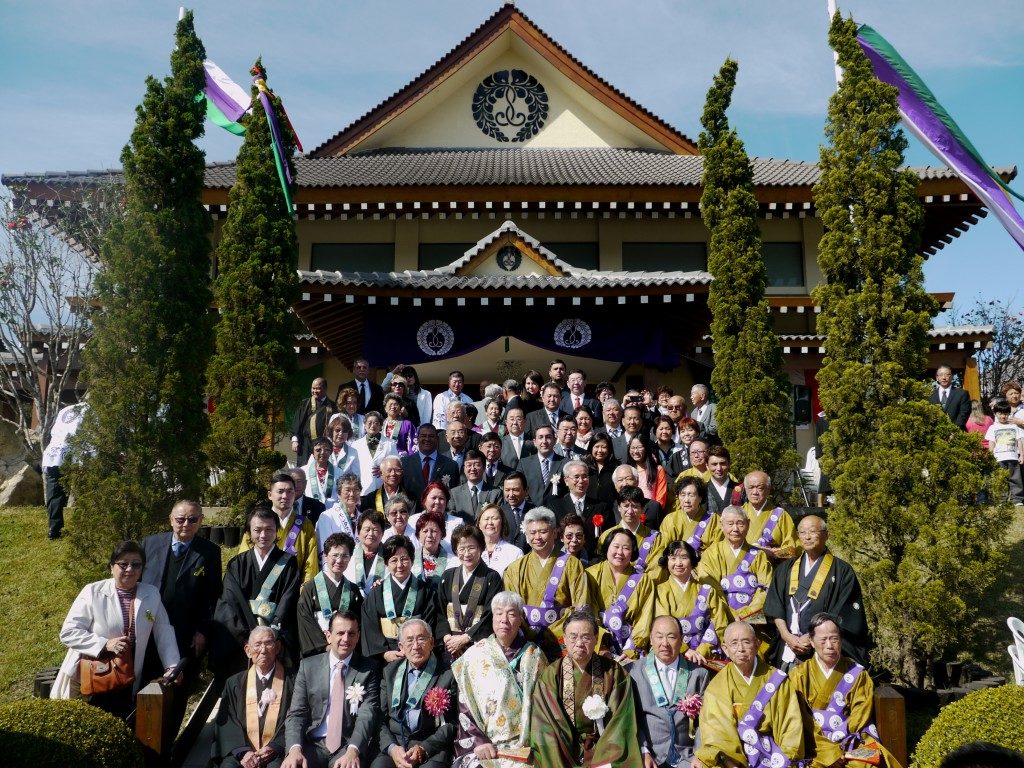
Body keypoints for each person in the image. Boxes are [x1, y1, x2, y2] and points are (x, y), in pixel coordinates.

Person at [53, 541, 181, 718]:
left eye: (136, 564)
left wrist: (172, 666)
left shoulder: (151, 594)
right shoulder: (92, 592)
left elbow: (163, 631)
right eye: (123, 564)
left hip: (127, 677)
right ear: (111, 567)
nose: (130, 569)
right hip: (94, 678)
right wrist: (105, 644)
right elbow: (68, 632)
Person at [140, 500, 222, 730]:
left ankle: (168, 748)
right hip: (149, 631)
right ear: (170, 519)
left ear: (201, 521)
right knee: (144, 689)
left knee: (177, 691)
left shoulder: (209, 552)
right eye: (180, 519)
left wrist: (203, 630)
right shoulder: (150, 543)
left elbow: (213, 596)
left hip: (185, 635)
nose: (186, 524)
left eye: (192, 519)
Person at [529, 610, 642, 767]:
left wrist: (603, 757)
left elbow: (621, 720)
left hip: (605, 745)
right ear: (565, 639)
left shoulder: (614, 672)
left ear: (596, 639)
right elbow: (545, 722)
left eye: (586, 637)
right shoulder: (551, 675)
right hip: (563, 748)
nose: (579, 643)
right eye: (573, 637)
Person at [789, 613, 903, 768]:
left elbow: (860, 714)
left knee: (868, 763)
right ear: (812, 642)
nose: (829, 645)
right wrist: (830, 753)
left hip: (850, 740)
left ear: (841, 640)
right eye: (823, 640)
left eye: (834, 639)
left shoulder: (857, 674)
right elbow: (800, 718)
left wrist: (842, 745)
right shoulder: (798, 675)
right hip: (815, 744)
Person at [451, 591, 548, 768]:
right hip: (485, 744)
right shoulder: (474, 656)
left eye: (511, 614)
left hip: (526, 745)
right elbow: (465, 705)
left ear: (520, 619)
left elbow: (545, 706)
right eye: (499, 613)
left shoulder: (534, 656)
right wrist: (480, 742)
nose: (504, 619)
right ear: (492, 618)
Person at [764, 515, 870, 670]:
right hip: (788, 645)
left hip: (823, 650)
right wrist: (787, 636)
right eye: (802, 532)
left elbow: (844, 615)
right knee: (787, 693)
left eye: (812, 531)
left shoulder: (842, 571)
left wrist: (812, 637)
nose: (807, 537)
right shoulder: (785, 569)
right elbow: (775, 607)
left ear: (826, 535)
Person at [695, 621, 806, 768]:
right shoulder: (717, 686)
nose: (740, 649)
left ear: (757, 644)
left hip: (775, 755)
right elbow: (716, 733)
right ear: (725, 649)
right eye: (734, 643)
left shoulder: (777, 679)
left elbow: (791, 726)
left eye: (746, 642)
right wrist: (732, 763)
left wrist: (783, 760)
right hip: (734, 759)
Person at [282, 610, 381, 768]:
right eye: (340, 633)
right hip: (313, 744)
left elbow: (367, 714)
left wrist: (353, 750)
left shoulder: (368, 669)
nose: (345, 639)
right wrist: (294, 750)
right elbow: (296, 713)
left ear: (358, 636)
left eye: (351, 633)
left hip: (347, 744)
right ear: (328, 636)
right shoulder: (308, 666)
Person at [215, 505, 302, 674]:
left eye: (269, 529)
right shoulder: (237, 564)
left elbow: (288, 600)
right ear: (248, 531)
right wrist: (250, 635)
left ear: (277, 531)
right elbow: (231, 601)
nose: (263, 535)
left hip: (275, 637)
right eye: (258, 530)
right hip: (243, 638)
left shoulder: (288, 563)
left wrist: (270, 633)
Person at [502, 507, 591, 658]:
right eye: (532, 532)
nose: (537, 537)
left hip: (563, 638)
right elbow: (512, 607)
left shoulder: (572, 564)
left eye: (543, 532)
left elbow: (581, 605)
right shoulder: (515, 568)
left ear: (555, 532)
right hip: (526, 641)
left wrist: (557, 631)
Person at [372, 618, 458, 768]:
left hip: (430, 745)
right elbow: (380, 717)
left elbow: (452, 722)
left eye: (421, 639)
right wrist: (392, 748)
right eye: (410, 641)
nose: (416, 646)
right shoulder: (390, 672)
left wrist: (425, 748)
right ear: (401, 647)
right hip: (396, 743)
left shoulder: (447, 674)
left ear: (431, 642)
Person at [631, 615, 712, 768]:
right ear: (651, 639)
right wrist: (643, 751)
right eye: (659, 636)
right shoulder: (634, 672)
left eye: (671, 637)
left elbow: (705, 721)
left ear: (681, 640)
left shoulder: (698, 674)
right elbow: (631, 718)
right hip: (650, 757)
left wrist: (700, 754)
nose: (664, 644)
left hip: (688, 757)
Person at [213, 627, 295, 768]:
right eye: (257, 644)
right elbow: (227, 722)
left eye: (268, 643)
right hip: (241, 751)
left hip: (278, 751)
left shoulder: (294, 680)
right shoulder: (234, 683)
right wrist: (243, 752)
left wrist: (276, 746)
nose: (263, 650)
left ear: (277, 647)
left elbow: (297, 717)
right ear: (248, 650)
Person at [360, 535, 436, 664]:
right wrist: (384, 653)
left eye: (404, 559)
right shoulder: (376, 592)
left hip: (418, 653)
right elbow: (369, 626)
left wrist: (415, 649)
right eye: (394, 560)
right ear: (386, 563)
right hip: (386, 657)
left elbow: (431, 623)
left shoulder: (426, 591)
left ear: (412, 560)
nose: (400, 565)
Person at [433, 524, 504, 662]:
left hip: (477, 644)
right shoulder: (448, 576)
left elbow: (491, 614)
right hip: (450, 646)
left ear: (481, 548)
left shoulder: (491, 577)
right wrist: (448, 638)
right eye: (461, 549)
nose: (466, 554)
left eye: (471, 548)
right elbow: (439, 611)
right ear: (455, 550)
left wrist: (465, 638)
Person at [653, 540, 730, 664]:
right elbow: (662, 624)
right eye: (673, 558)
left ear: (692, 561)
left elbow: (719, 623)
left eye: (684, 558)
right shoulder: (659, 591)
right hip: (671, 652)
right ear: (667, 562)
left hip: (705, 654)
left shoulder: (707, 590)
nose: (678, 563)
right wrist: (684, 649)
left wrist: (703, 649)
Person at [586, 529, 655, 660]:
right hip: (596, 644)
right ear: (607, 547)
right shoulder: (590, 574)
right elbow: (588, 610)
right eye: (616, 546)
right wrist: (599, 644)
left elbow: (645, 617)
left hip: (629, 645)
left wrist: (632, 648)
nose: (619, 552)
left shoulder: (643, 580)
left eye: (626, 548)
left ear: (633, 552)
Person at [696, 506, 772, 625]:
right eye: (730, 524)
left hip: (751, 621)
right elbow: (709, 587)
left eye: (740, 524)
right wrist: (729, 613)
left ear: (748, 524)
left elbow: (765, 588)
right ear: (721, 525)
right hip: (721, 618)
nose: (735, 529)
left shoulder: (759, 555)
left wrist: (746, 614)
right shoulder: (711, 553)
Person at [239, 472, 320, 584]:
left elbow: (310, 565)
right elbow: (243, 559)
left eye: (290, 491)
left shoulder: (305, 525)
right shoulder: (257, 521)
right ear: (270, 495)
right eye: (280, 491)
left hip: (293, 593)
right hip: (258, 591)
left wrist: (304, 594)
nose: (285, 496)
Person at [297, 533, 364, 659]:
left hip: (345, 650)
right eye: (335, 555)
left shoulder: (353, 590)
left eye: (345, 556)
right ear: (325, 556)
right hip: (318, 652)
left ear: (350, 558)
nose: (339, 560)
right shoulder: (310, 587)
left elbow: (358, 624)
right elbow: (305, 620)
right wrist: (325, 646)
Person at [41, 400, 86, 540]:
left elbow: (54, 431)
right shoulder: (93, 411)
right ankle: (84, 527)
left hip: (54, 452)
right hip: (76, 451)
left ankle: (54, 530)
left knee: (54, 492)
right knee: (86, 490)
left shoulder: (67, 409)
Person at [550, 458, 612, 559]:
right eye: (576, 477)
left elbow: (606, 537)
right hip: (562, 559)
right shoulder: (555, 506)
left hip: (593, 560)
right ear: (566, 480)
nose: (581, 481)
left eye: (584, 476)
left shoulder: (601, 507)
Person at [658, 476, 722, 560]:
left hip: (705, 566)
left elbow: (716, 550)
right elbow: (664, 548)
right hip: (677, 566)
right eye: (683, 495)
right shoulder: (670, 519)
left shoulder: (714, 520)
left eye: (691, 495)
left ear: (700, 497)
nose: (686, 500)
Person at [740, 471, 798, 563]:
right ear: (745, 489)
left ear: (768, 489)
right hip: (741, 572)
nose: (755, 492)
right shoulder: (738, 514)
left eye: (760, 488)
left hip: (772, 570)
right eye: (751, 487)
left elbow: (792, 550)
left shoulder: (781, 515)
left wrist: (772, 553)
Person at [401, 424, 462, 504]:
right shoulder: (404, 463)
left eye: (431, 436)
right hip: (412, 513)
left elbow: (454, 494)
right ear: (417, 438)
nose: (427, 439)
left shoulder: (451, 465)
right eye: (423, 436)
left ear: (437, 439)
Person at [985, 400, 1024, 505]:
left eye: (1005, 414)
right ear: (995, 414)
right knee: (1000, 479)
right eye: (1000, 413)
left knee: (1015, 479)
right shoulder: (993, 428)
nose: (1003, 416)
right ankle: (1001, 499)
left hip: (1013, 458)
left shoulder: (1014, 426)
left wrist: (1022, 455)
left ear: (1009, 414)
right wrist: (990, 455)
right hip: (999, 458)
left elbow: (1019, 441)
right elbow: (991, 443)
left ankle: (1017, 500)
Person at [292, 378, 337, 465]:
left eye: (318, 388)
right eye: (313, 388)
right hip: (306, 444)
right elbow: (297, 422)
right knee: (304, 469)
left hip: (324, 444)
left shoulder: (332, 406)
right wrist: (295, 440)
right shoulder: (304, 404)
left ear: (325, 389)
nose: (314, 391)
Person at [518, 424, 565, 506]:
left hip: (558, 513)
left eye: (548, 437)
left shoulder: (565, 463)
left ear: (554, 440)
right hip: (532, 513)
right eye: (540, 437)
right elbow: (520, 489)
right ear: (535, 442)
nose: (544, 441)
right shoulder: (524, 464)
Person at [449, 449, 501, 522]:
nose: (473, 469)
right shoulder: (454, 493)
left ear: (484, 467)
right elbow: (452, 520)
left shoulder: (495, 493)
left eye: (477, 465)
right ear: (464, 468)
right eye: (469, 465)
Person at [344, 511, 387, 596]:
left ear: (382, 533)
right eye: (367, 530)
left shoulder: (389, 554)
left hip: (380, 603)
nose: (370, 534)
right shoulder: (349, 552)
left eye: (375, 530)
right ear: (358, 531)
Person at [315, 473, 359, 555]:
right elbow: (324, 548)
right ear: (339, 494)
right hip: (335, 563)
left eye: (356, 490)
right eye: (348, 490)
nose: (352, 494)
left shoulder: (363, 517)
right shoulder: (327, 516)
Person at [353, 411, 396, 494]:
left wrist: (384, 468)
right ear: (364, 425)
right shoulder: (356, 445)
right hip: (362, 487)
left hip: (382, 485)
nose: (373, 425)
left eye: (376, 423)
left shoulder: (390, 444)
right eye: (369, 423)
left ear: (380, 426)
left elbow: (396, 463)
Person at [411, 509, 457, 584]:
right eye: (425, 531)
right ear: (418, 535)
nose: (429, 535)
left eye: (434, 531)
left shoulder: (454, 561)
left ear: (442, 534)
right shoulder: (410, 559)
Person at [476, 502, 522, 576]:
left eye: (495, 518)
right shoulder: (472, 551)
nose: (490, 522)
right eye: (486, 519)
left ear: (502, 522)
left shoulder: (515, 553)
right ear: (479, 524)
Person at [628, 434, 669, 510]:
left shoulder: (658, 469)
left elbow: (661, 497)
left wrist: (652, 511)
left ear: (646, 448)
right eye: (632, 448)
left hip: (651, 513)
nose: (636, 451)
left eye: (639, 447)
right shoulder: (628, 470)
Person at [498, 470, 535, 552]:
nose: (511, 495)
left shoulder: (535, 513)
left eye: (515, 490)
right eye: (507, 490)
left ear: (526, 491)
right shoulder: (499, 513)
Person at [929, 365, 971, 429]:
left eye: (947, 375)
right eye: (941, 375)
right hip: (935, 434)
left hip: (957, 434)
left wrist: (954, 430)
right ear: (937, 377)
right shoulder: (930, 395)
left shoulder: (961, 394)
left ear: (952, 376)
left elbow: (964, 414)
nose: (944, 378)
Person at [584, 433, 620, 507]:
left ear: (609, 449)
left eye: (604, 447)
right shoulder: (584, 466)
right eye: (596, 447)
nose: (600, 450)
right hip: (588, 508)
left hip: (610, 509)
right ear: (591, 448)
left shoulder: (616, 467)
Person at [304, 438, 340, 510]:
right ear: (312, 452)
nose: (323, 452)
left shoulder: (339, 472)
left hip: (331, 511)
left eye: (327, 450)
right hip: (310, 510)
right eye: (318, 450)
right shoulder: (303, 471)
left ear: (330, 452)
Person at [704, 446, 739, 515]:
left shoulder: (741, 489)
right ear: (707, 466)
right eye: (714, 464)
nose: (719, 468)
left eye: (722, 463)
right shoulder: (702, 490)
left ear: (729, 464)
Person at [326, 414, 360, 479]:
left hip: (344, 487)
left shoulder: (353, 452)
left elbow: (356, 476)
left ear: (348, 433)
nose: (341, 434)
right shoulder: (320, 449)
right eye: (337, 430)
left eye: (344, 431)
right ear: (331, 431)